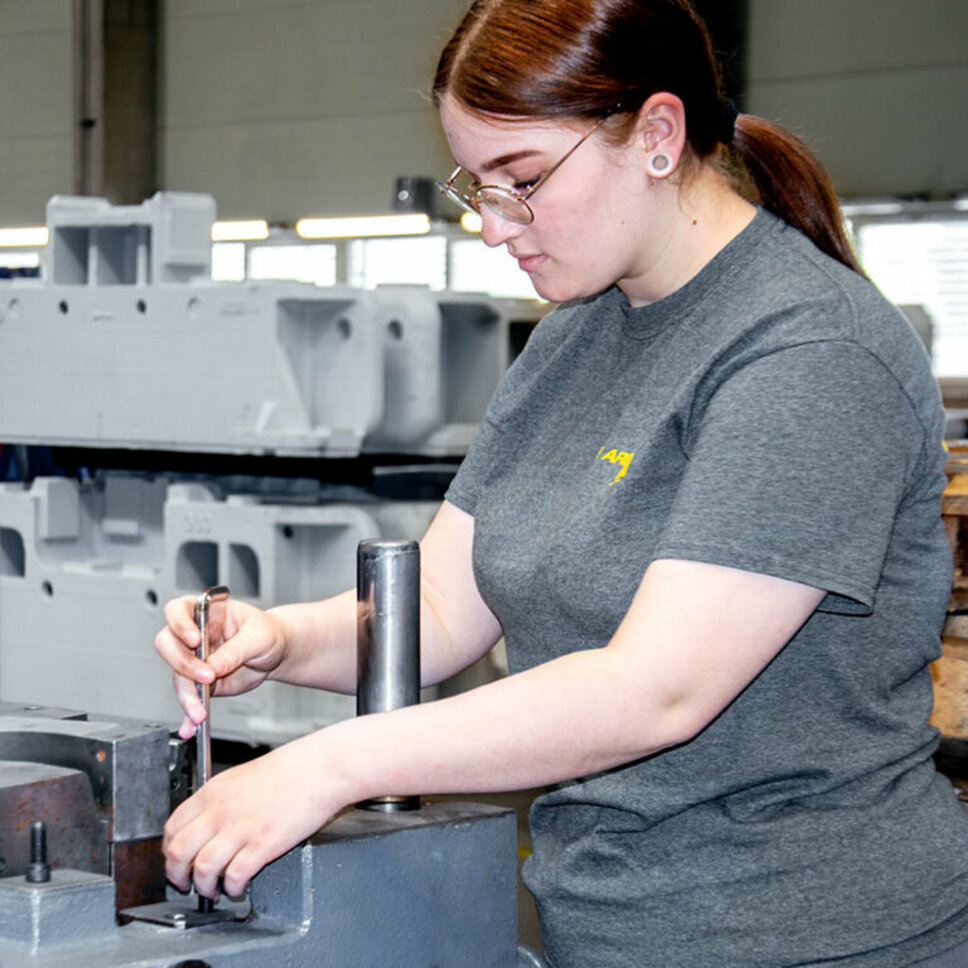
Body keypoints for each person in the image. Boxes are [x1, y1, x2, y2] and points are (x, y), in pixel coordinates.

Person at [155, 1, 968, 965]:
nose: (495, 227)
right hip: (608, 924)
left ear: (658, 136)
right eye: (478, 186)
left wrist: (327, 764)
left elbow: (655, 691)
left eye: (525, 182)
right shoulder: (575, 335)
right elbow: (449, 609)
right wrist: (281, 638)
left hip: (812, 936)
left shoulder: (808, 352)